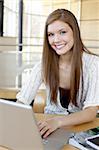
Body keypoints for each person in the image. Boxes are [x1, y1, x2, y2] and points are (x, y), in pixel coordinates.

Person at [16, 9, 99, 138]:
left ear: (74, 33)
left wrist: (58, 122)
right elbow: (22, 101)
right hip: (50, 132)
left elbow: (91, 112)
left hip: (80, 132)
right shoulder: (43, 65)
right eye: (51, 34)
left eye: (63, 32)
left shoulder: (93, 64)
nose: (56, 40)